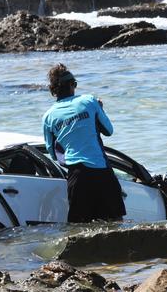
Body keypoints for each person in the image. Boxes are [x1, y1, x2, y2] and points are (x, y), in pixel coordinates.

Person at [42, 63, 126, 223]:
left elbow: (53, 153)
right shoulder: (89, 101)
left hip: (77, 178)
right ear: (73, 85)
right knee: (115, 224)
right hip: (102, 173)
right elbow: (108, 130)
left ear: (53, 91)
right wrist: (100, 109)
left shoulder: (48, 117)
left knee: (80, 230)